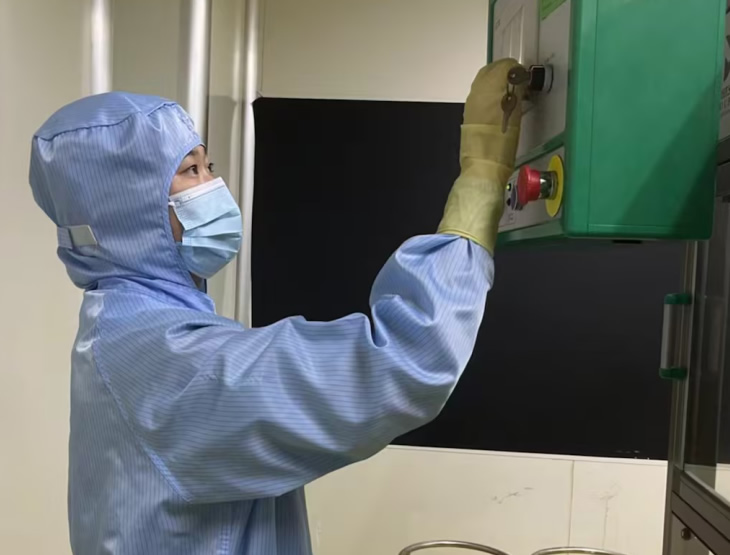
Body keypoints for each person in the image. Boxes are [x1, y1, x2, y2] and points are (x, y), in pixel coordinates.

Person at [29, 58, 525, 555]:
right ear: (126, 209)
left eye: (209, 166)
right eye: (189, 171)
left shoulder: (124, 327)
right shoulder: (164, 359)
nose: (213, 186)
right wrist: (480, 184)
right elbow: (401, 363)